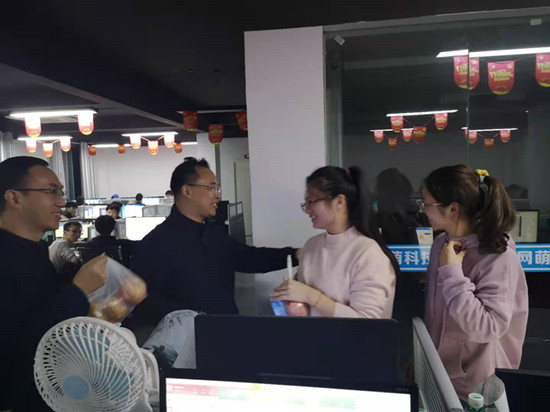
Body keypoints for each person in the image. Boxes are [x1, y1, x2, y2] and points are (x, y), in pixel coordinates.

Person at [128, 157, 300, 330]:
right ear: (187, 191)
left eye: (217, 188)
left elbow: (247, 257)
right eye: (211, 188)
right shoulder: (155, 244)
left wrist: (294, 255)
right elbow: (146, 304)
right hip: (188, 339)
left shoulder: (214, 233)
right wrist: (194, 319)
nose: (218, 195)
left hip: (227, 329)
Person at [0, 156, 108, 412]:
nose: (61, 202)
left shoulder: (35, 252)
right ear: (14, 198)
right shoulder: (7, 259)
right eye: (51, 192)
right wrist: (78, 291)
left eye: (61, 192)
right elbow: (20, 344)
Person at [421, 165, 528, 402]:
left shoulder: (498, 255)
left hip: (479, 388)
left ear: (453, 208)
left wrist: (452, 273)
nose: (423, 209)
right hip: (439, 375)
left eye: (427, 203)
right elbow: (435, 314)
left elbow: (487, 328)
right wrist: (423, 360)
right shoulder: (441, 244)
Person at [271, 166, 398, 318]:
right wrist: (290, 296)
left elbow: (367, 321)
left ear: (339, 201)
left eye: (312, 201)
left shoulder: (367, 253)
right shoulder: (311, 246)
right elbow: (303, 302)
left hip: (349, 335)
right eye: (306, 203)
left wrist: (311, 296)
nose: (308, 210)